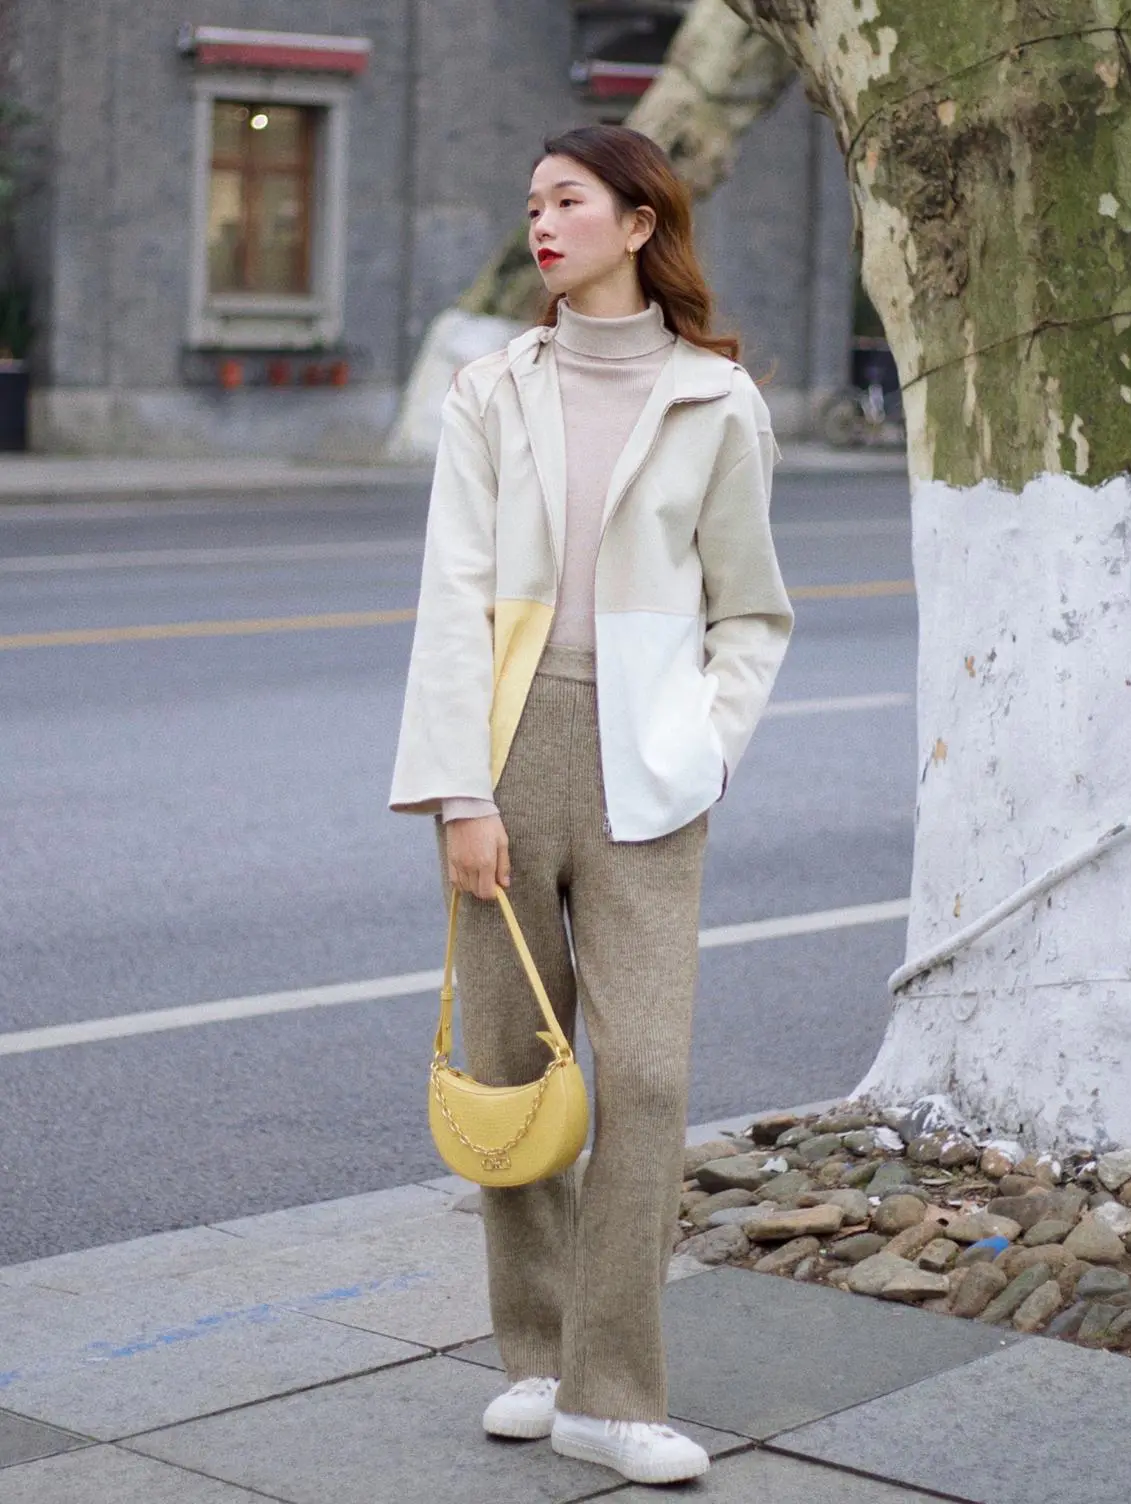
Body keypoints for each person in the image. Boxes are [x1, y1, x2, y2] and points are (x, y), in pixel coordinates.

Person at [388, 123, 793, 1487]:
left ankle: (615, 1392)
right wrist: (460, 792)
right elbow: (452, 594)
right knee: (514, 1067)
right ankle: (539, 1357)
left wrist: (707, 746)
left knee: (652, 1077)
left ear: (639, 221)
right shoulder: (492, 389)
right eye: (531, 205)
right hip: (509, 754)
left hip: (650, 768)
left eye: (567, 201)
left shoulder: (715, 403)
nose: (542, 225)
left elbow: (753, 610)